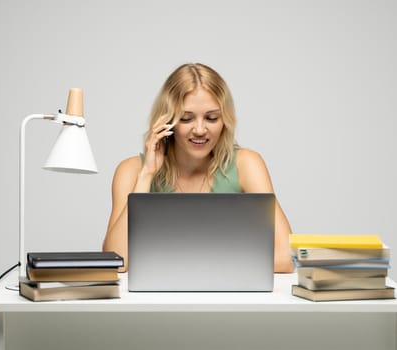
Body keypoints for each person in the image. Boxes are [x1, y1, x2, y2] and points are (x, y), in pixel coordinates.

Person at [102, 63, 294, 273]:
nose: (200, 130)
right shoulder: (131, 171)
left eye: (212, 118)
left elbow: (286, 257)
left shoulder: (247, 164)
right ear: (168, 121)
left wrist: (193, 267)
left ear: (225, 121)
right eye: (186, 118)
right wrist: (147, 174)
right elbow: (116, 262)